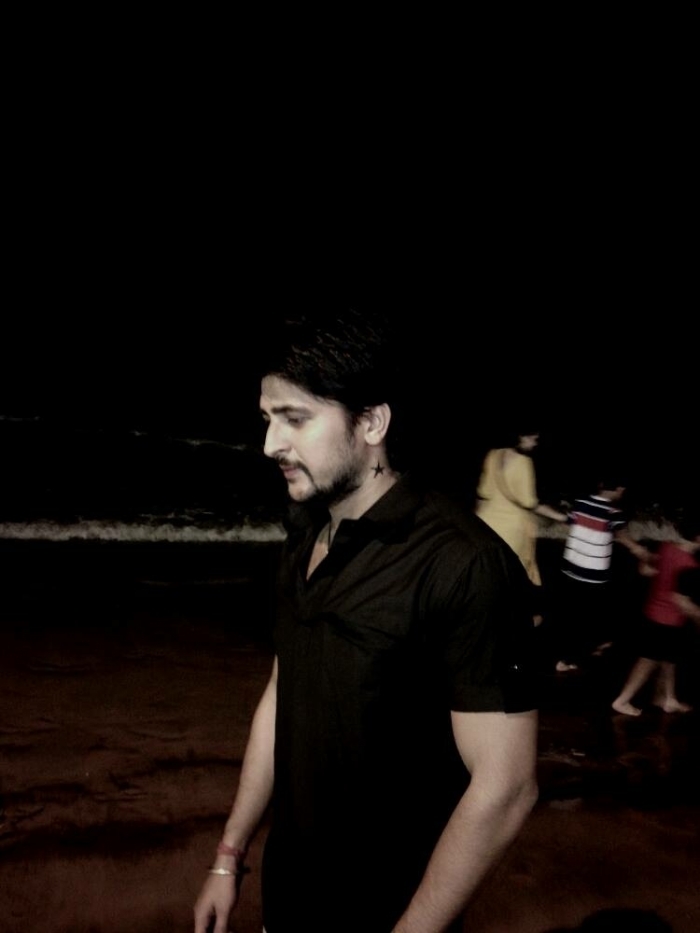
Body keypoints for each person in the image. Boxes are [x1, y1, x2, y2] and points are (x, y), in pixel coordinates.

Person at [193, 309, 539, 933]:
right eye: (268, 419)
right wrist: (229, 854)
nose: (271, 444)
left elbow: (506, 787)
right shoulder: (304, 531)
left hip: (388, 910)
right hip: (287, 893)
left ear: (372, 422)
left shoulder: (464, 564)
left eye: (295, 419)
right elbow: (283, 692)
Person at [552, 475, 651, 673]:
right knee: (588, 616)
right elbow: (621, 535)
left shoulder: (581, 503)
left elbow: (570, 523)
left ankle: (582, 648)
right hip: (593, 574)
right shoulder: (613, 512)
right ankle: (571, 658)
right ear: (619, 489)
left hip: (571, 568)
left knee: (573, 613)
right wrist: (639, 549)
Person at [611, 511, 700, 716]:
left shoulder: (667, 547)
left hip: (653, 612)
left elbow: (647, 571)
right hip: (666, 620)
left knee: (669, 657)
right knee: (649, 660)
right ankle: (622, 700)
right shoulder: (690, 565)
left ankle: (667, 698)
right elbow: (682, 601)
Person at [475, 428, 568, 624]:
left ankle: (485, 615)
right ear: (520, 436)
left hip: (486, 522)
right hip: (511, 529)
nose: (535, 442)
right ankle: (515, 619)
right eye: (532, 437)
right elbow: (529, 502)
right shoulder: (524, 462)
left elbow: (484, 492)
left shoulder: (493, 454)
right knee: (513, 574)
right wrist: (561, 516)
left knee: (488, 572)